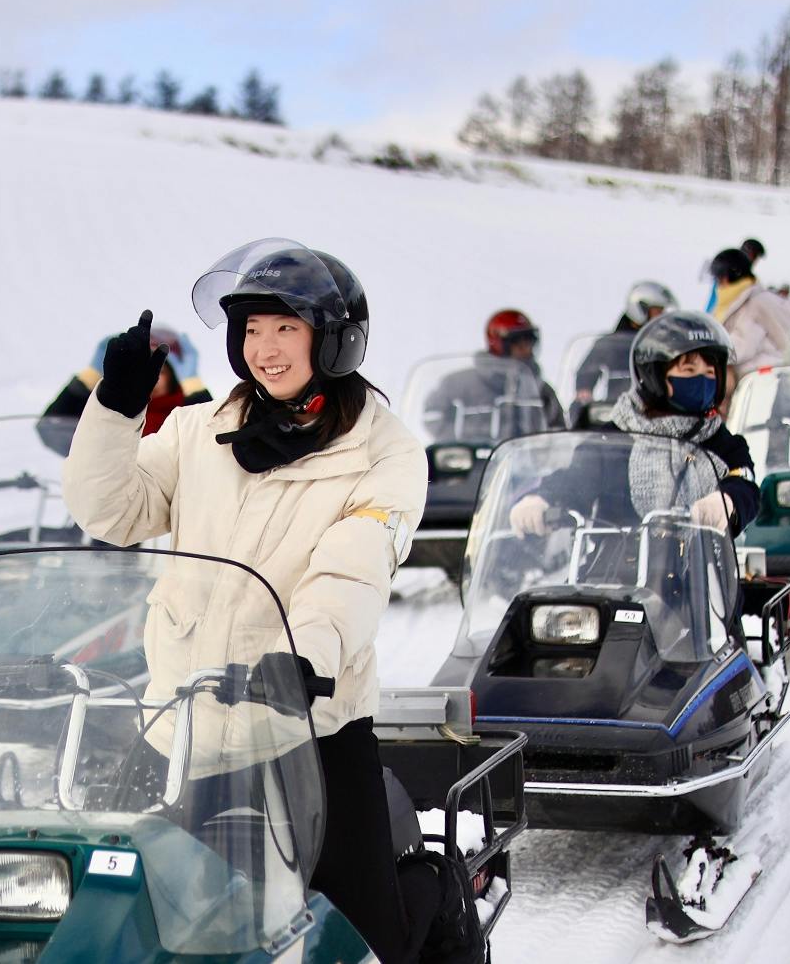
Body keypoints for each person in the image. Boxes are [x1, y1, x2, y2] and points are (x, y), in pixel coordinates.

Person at [62, 239, 425, 962]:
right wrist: (116, 408)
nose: (266, 348)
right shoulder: (200, 430)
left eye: (286, 328)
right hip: (184, 728)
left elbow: (351, 570)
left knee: (358, 932)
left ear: (333, 339)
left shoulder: (383, 450)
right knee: (144, 919)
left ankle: (436, 906)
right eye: (252, 329)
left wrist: (304, 659)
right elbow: (110, 511)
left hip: (309, 724)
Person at [507, 311, 760, 540]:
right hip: (616, 575)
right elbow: (576, 478)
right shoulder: (613, 440)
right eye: (689, 369)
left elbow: (744, 484)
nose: (701, 380)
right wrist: (541, 498)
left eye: (709, 373)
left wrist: (727, 500)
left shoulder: (722, 442)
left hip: (699, 576)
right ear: (655, 375)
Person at [37, 322, 209, 455]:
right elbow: (53, 430)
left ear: (174, 376)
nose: (150, 378)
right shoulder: (112, 408)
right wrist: (90, 377)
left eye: (160, 371)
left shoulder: (187, 414)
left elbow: (213, 443)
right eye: (141, 370)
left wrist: (193, 388)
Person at [423, 309, 566, 440]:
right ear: (498, 344)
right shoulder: (458, 383)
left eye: (529, 341)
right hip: (475, 465)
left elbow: (559, 432)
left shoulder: (541, 390)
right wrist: (464, 444)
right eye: (517, 343)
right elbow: (432, 417)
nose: (525, 349)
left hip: (527, 466)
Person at [569, 281, 676, 426]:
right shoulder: (611, 343)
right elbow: (589, 367)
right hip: (615, 410)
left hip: (653, 412)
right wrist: (584, 389)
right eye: (657, 311)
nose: (661, 316)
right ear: (641, 308)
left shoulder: (664, 343)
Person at [709, 247, 790, 377]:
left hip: (762, 378)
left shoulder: (754, 302)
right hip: (747, 377)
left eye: (720, 278)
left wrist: (709, 354)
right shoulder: (734, 300)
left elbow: (742, 345)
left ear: (732, 275)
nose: (719, 283)